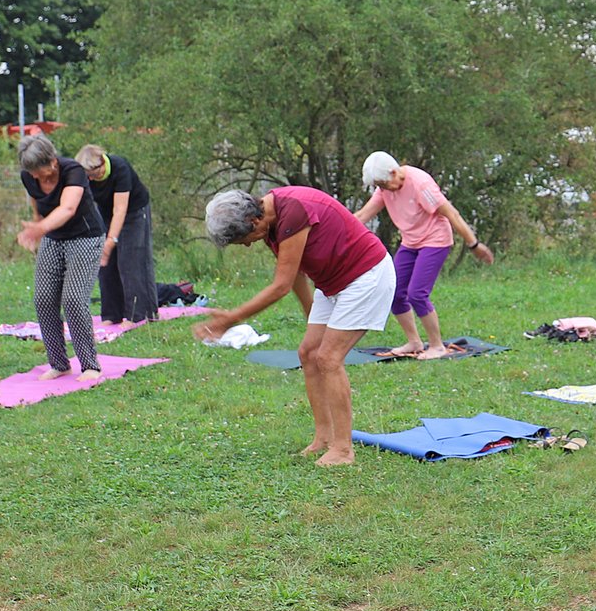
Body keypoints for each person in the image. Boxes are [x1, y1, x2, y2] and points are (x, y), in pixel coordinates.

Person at [196, 187, 396, 466]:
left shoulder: (293, 212)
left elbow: (281, 285)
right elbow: (297, 270)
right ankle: (323, 439)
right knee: (308, 353)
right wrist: (310, 313)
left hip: (366, 275)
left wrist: (230, 319)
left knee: (328, 358)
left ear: (254, 221)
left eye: (244, 239)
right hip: (334, 283)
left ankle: (343, 449)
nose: (247, 245)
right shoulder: (270, 220)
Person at [352, 152, 493, 360]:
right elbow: (362, 216)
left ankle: (437, 346)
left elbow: (451, 213)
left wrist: (474, 244)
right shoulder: (385, 188)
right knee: (395, 292)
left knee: (417, 294)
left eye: (383, 184)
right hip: (411, 242)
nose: (382, 189)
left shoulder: (420, 184)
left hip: (435, 241)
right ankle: (414, 342)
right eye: (378, 186)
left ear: (394, 172)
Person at [15, 135, 106, 381]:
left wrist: (40, 228)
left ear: (53, 162)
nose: (36, 177)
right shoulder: (30, 176)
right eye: (31, 172)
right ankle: (59, 363)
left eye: (40, 171)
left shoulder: (73, 171)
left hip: (85, 237)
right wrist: (37, 224)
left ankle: (90, 366)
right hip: (53, 238)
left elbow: (67, 208)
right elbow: (37, 200)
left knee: (74, 299)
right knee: (43, 298)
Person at [75, 144, 158, 325]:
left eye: (94, 173)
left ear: (102, 162)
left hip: (134, 212)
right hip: (106, 214)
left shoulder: (120, 167)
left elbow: (120, 209)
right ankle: (112, 315)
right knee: (105, 264)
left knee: (130, 261)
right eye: (87, 175)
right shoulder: (85, 177)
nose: (91, 178)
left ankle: (139, 315)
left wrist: (110, 241)